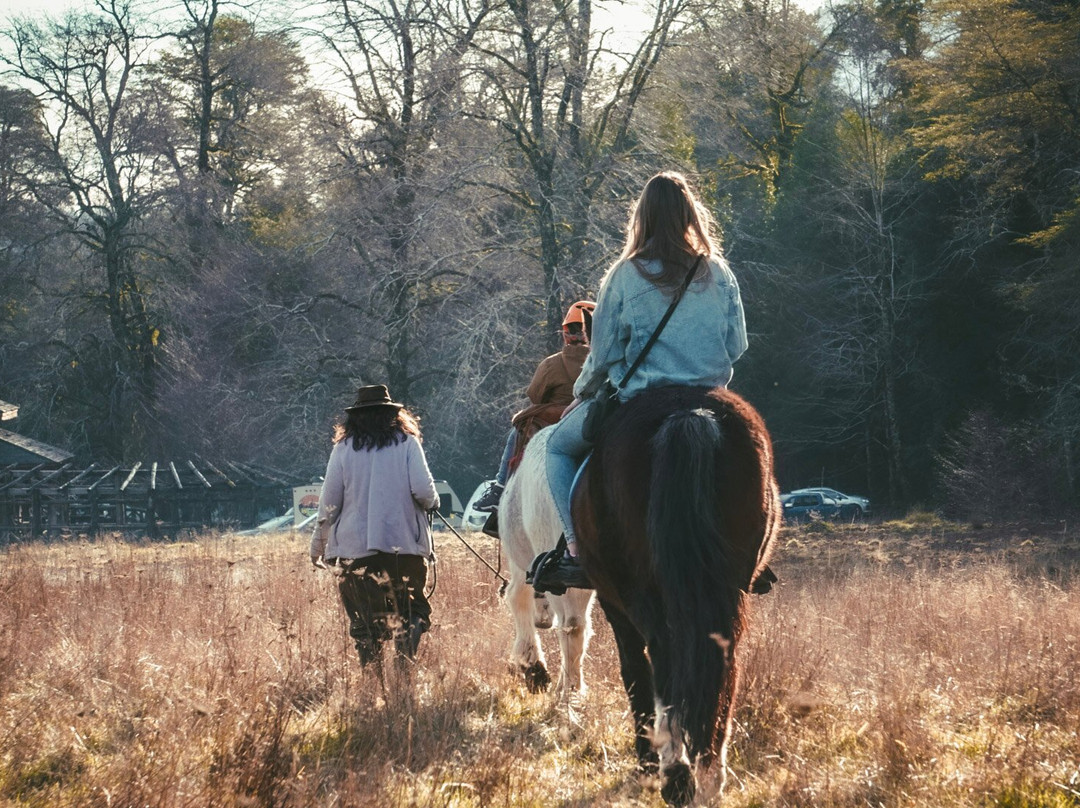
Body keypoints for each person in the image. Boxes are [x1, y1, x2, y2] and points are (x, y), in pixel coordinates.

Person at [531, 171, 749, 593]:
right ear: (691, 214)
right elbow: (737, 345)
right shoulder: (719, 272)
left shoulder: (626, 274)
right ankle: (750, 555)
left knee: (557, 447)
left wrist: (581, 395)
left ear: (642, 217)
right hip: (710, 397)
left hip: (642, 400)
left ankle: (575, 552)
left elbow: (604, 354)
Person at [310, 384, 440, 666]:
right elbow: (424, 491)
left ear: (355, 418)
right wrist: (433, 503)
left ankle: (372, 687)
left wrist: (318, 544)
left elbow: (329, 504)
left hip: (354, 552)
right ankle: (405, 659)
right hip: (403, 548)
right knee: (411, 610)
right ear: (393, 415)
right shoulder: (407, 444)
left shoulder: (342, 450)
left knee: (365, 623)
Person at [472, 300, 595, 512]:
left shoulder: (551, 364)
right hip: (594, 420)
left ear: (566, 333)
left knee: (518, 430)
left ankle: (500, 488)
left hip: (555, 423)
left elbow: (535, 395)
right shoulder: (608, 361)